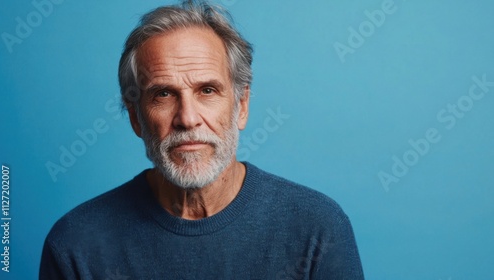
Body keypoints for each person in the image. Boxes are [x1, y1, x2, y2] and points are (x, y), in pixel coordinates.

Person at [39, 1, 364, 279]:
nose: (187, 118)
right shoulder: (75, 246)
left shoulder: (318, 230)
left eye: (207, 90)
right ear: (136, 117)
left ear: (242, 105)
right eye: (163, 94)